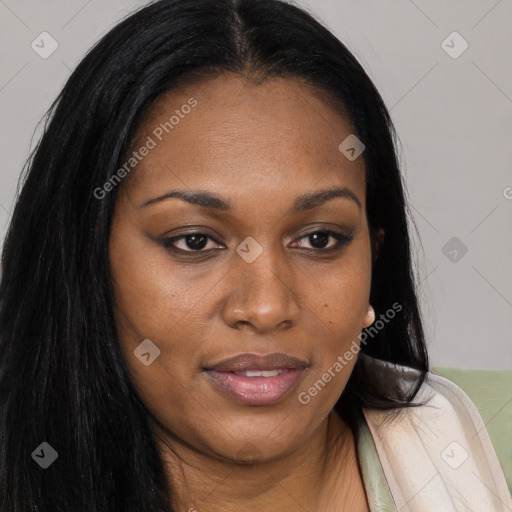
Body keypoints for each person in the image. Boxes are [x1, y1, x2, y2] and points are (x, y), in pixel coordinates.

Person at [0, 0, 509, 510]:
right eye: (194, 241)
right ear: (85, 264)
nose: (266, 307)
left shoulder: (493, 442)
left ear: (373, 260)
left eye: (319, 238)